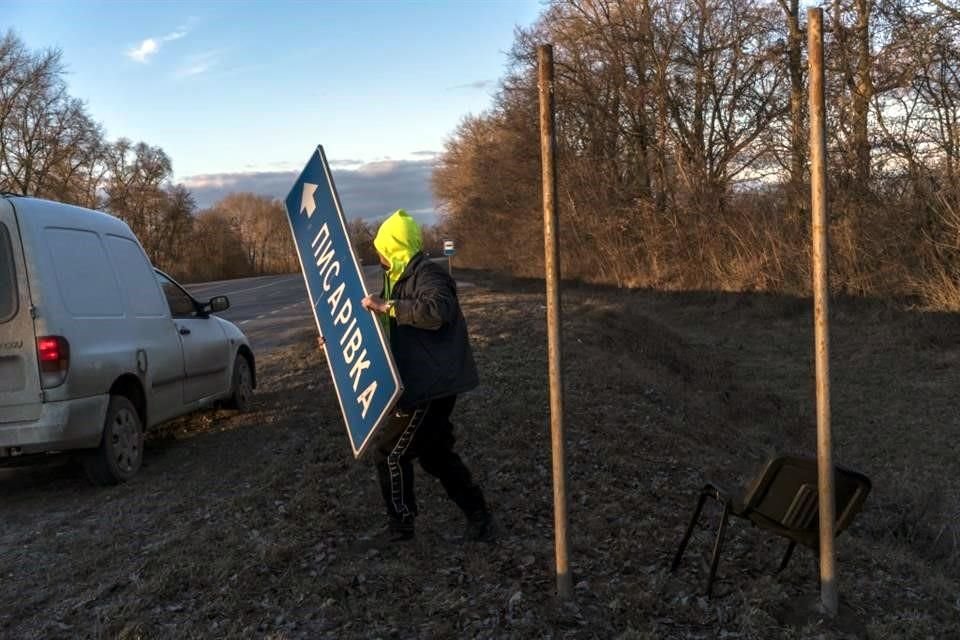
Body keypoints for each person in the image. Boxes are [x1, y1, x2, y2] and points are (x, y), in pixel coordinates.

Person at [358, 209, 494, 545]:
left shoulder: (428, 276)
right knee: (435, 455)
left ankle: (401, 527)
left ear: (394, 248)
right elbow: (391, 328)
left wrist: (388, 307)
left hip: (431, 385)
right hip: (420, 381)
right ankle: (480, 516)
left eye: (381, 248)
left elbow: (436, 312)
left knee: (390, 453)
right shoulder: (400, 278)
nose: (378, 255)